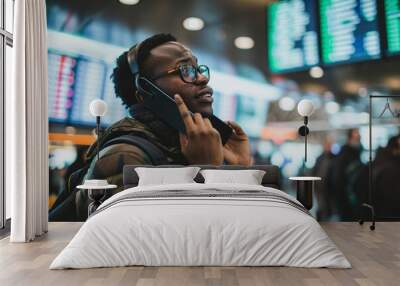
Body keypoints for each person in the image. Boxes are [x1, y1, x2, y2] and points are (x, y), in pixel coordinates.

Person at [53, 33, 252, 221]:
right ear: (145, 91)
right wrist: (205, 170)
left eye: (198, 69)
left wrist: (239, 170)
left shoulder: (186, 147)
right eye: (185, 70)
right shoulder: (125, 156)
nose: (202, 78)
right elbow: (140, 242)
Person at [329, 129, 364, 221]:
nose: (359, 139)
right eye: (357, 137)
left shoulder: (356, 153)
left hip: (354, 199)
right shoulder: (345, 155)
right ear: (350, 138)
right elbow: (338, 179)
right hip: (347, 201)